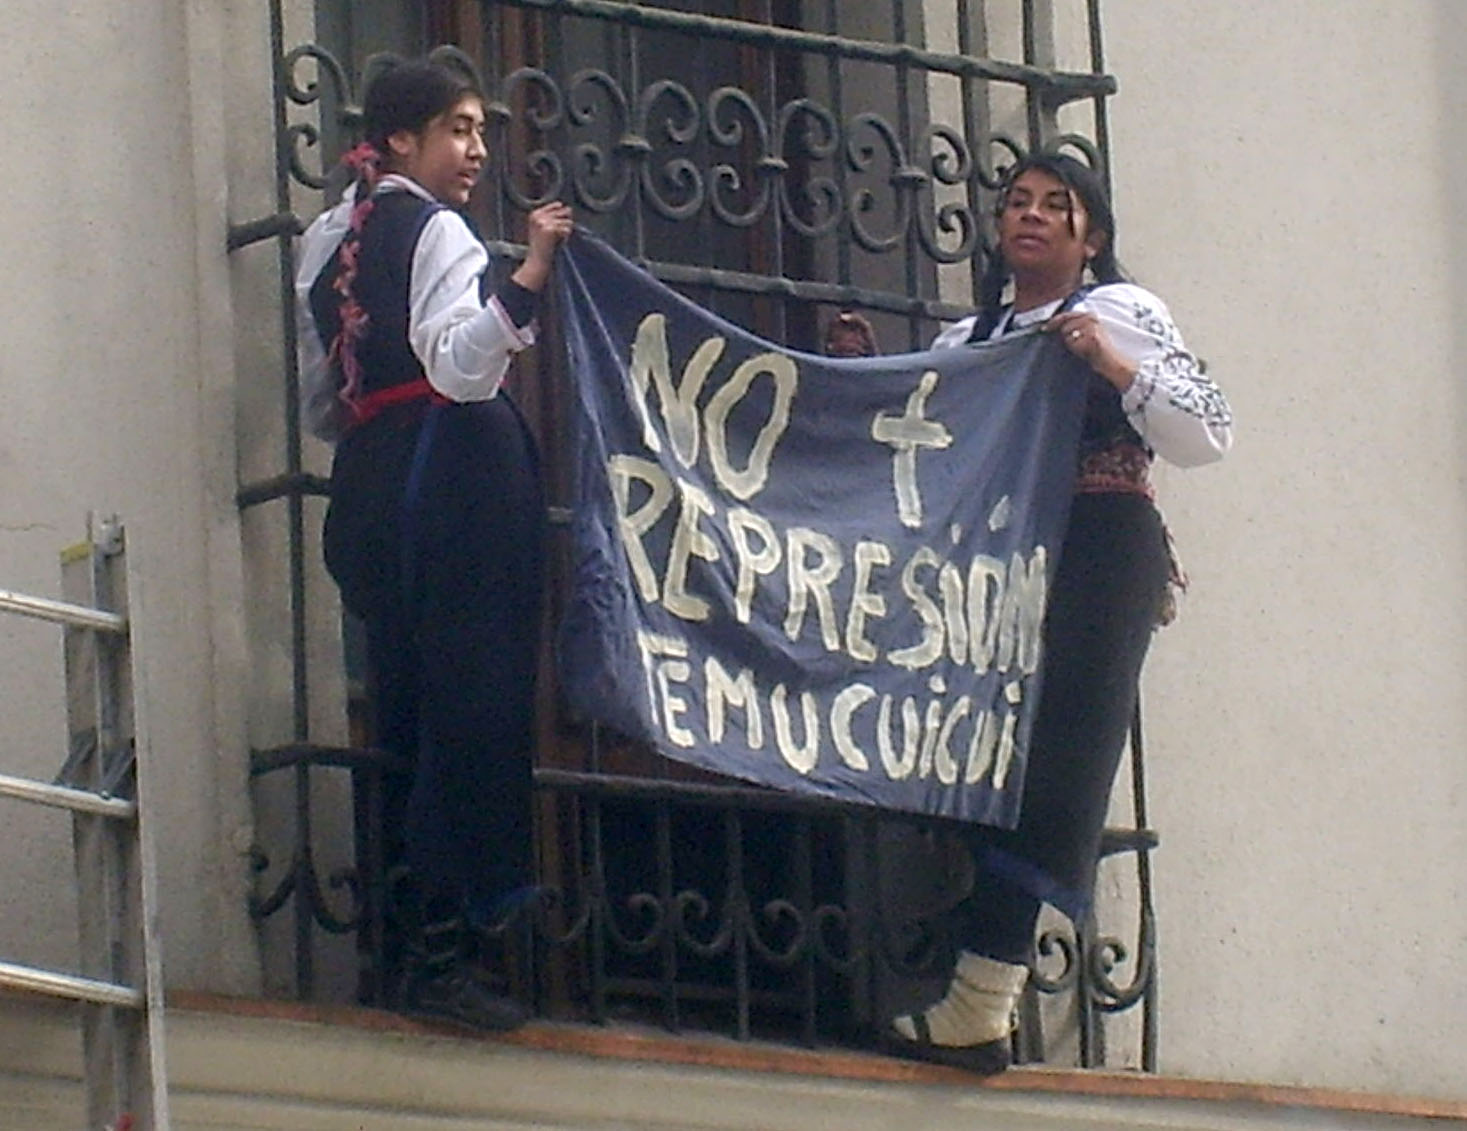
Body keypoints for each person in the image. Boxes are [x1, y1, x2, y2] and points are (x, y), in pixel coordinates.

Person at [884, 152, 1233, 1074]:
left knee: (1059, 755)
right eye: (1018, 203)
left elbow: (1207, 431)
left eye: (1056, 205)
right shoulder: (972, 336)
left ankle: (980, 997)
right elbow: (914, 435)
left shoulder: (1124, 312)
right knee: (981, 750)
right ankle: (974, 972)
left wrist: (1107, 361)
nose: (1031, 217)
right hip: (999, 564)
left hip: (1098, 543)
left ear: (1092, 237)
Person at [294, 46, 574, 1031]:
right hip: (456, 474)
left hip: (371, 485)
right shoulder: (443, 229)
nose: (478, 150)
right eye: (459, 128)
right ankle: (444, 958)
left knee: (409, 706)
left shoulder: (328, 238)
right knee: (477, 702)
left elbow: (323, 402)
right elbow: (459, 368)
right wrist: (528, 278)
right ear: (401, 138)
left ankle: (404, 947)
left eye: (482, 130)